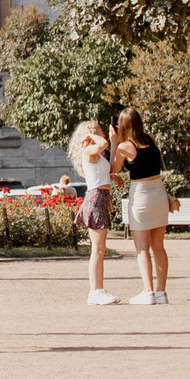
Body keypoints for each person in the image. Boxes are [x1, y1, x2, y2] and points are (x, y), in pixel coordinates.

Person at [112, 106, 172, 304]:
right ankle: (161, 292)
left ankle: (148, 291)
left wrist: (114, 143)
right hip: (159, 193)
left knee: (142, 248)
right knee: (159, 247)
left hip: (141, 195)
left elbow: (114, 168)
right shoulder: (150, 139)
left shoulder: (125, 146)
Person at [71, 119, 119, 304]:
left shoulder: (98, 155)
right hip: (96, 199)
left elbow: (112, 167)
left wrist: (114, 144)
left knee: (100, 249)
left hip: (101, 198)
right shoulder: (89, 150)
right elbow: (103, 143)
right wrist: (90, 135)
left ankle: (98, 289)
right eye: (99, 129)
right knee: (97, 249)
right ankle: (95, 291)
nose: (103, 133)